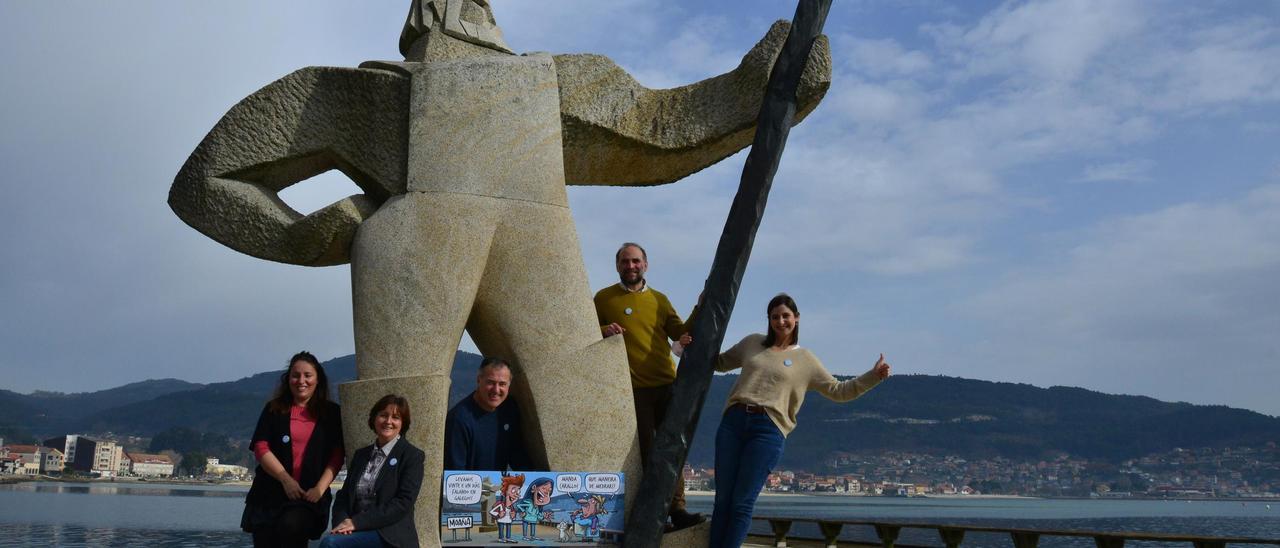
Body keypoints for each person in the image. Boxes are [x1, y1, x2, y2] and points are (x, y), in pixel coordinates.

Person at [708, 294, 891, 548]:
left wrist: (874, 376)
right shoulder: (752, 343)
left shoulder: (806, 360)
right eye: (775, 317)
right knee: (723, 499)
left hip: (768, 430)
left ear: (796, 318)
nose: (780, 321)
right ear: (769, 320)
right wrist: (689, 342)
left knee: (742, 502)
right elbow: (717, 362)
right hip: (733, 422)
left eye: (786, 316)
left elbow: (840, 391)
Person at [594, 242, 703, 530]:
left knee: (673, 449)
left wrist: (700, 306)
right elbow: (582, 332)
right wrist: (602, 330)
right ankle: (652, 515)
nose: (631, 266)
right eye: (625, 261)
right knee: (645, 454)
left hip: (667, 385)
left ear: (646, 265)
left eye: (636, 261)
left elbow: (681, 333)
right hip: (633, 391)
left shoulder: (660, 299)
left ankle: (677, 510)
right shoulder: (603, 299)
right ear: (617, 265)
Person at [241, 351, 345, 548]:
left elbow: (337, 455)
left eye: (308, 375)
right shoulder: (274, 408)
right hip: (268, 496)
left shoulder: (331, 413)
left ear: (318, 379)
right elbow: (261, 447)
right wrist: (286, 480)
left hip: (308, 496)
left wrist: (320, 489)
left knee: (292, 528)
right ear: (288, 379)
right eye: (295, 375)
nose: (301, 381)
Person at [322, 394, 426, 548]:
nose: (388, 421)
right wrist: (342, 524)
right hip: (355, 530)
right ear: (374, 418)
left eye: (395, 417)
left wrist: (356, 523)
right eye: (383, 415)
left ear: (402, 424)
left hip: (389, 534)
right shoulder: (361, 455)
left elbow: (403, 503)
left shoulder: (412, 456)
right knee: (335, 539)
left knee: (330, 544)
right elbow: (344, 496)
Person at [443, 357, 532, 471]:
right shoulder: (459, 419)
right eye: (490, 382)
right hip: (470, 486)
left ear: (509, 385)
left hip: (499, 486)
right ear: (479, 380)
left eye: (502, 384)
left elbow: (517, 455)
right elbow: (455, 472)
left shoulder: (510, 409)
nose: (496, 390)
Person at [488, 473, 525, 544]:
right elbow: (492, 512)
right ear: (505, 491)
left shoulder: (511, 506)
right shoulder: (500, 504)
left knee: (508, 528)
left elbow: (513, 513)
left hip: (508, 520)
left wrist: (513, 515)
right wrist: (499, 515)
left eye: (518, 490)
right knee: (501, 528)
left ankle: (508, 538)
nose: (517, 492)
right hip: (501, 519)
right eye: (514, 489)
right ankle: (501, 538)